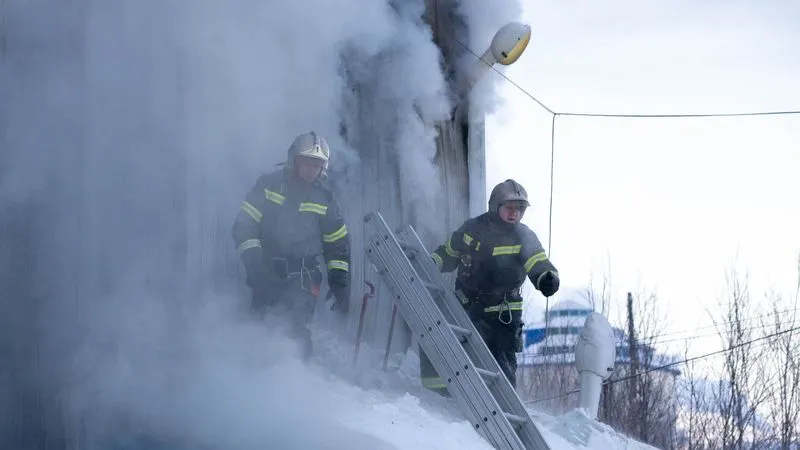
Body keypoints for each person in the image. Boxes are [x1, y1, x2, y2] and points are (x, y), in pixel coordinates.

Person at [420, 179, 560, 393]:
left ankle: (504, 412)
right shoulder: (471, 229)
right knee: (439, 341)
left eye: (519, 209)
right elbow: (448, 254)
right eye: (510, 208)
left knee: (500, 367)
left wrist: (548, 278)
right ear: (495, 206)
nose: (515, 214)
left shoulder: (523, 237)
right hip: (465, 308)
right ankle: (438, 400)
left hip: (502, 315)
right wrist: (427, 264)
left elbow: (538, 263)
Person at [231, 131, 351, 359]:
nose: (311, 170)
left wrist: (339, 281)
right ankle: (253, 379)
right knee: (261, 327)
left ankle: (297, 381)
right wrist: (256, 268)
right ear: (293, 159)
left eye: (317, 165)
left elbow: (337, 244)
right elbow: (243, 228)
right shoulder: (268, 185)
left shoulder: (325, 198)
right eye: (307, 163)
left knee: (296, 331)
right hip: (267, 271)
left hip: (304, 278)